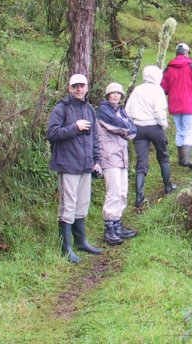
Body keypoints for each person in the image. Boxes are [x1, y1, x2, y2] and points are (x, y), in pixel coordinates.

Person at [46, 73, 103, 263]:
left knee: (82, 205)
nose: (79, 89)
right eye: (75, 86)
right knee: (68, 206)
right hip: (68, 164)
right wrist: (75, 127)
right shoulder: (61, 108)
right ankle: (66, 248)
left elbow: (95, 138)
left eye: (82, 86)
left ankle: (81, 242)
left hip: (86, 165)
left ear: (87, 88)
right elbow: (52, 133)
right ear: (69, 88)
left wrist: (97, 160)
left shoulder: (89, 109)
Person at [125, 65, 176, 208]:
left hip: (138, 128)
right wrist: (163, 125)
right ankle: (168, 186)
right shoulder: (157, 90)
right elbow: (159, 111)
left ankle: (139, 197)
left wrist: (132, 124)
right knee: (163, 156)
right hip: (154, 127)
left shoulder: (137, 90)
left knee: (141, 162)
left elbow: (127, 110)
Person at [96, 82, 138, 245]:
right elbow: (117, 125)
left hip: (122, 156)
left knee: (122, 191)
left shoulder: (121, 111)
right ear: (107, 95)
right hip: (108, 155)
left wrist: (125, 128)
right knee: (113, 192)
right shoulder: (103, 110)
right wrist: (125, 128)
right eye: (112, 93)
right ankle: (109, 229)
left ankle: (117, 225)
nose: (115, 95)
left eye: (118, 93)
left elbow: (133, 131)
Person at [161, 43, 192, 170]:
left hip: (174, 104)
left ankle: (181, 159)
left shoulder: (169, 67)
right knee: (189, 131)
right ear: (186, 53)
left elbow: (163, 87)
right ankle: (186, 159)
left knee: (180, 130)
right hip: (189, 103)